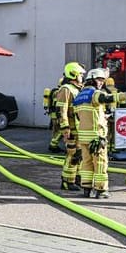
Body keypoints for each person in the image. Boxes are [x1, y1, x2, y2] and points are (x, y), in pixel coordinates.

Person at [74, 69, 126, 198]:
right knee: (100, 163)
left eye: (103, 80)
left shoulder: (79, 96)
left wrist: (102, 117)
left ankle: (86, 189)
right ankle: (101, 190)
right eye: (99, 80)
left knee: (86, 163)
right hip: (96, 137)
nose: (101, 83)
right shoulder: (94, 93)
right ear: (91, 79)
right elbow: (107, 98)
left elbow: (81, 116)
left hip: (83, 137)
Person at [56, 62, 86, 191]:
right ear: (73, 74)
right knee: (72, 154)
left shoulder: (79, 88)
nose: (81, 76)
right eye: (80, 74)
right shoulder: (66, 89)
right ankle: (67, 181)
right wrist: (65, 127)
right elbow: (61, 109)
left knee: (80, 155)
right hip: (71, 129)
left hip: (80, 128)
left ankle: (77, 179)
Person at [47, 77, 65, 153]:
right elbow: (58, 104)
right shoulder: (58, 92)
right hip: (57, 114)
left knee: (57, 130)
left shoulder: (55, 91)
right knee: (59, 130)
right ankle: (53, 145)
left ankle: (54, 144)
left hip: (54, 114)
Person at [104, 76, 120, 153]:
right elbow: (120, 102)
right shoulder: (117, 90)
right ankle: (113, 147)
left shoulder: (103, 90)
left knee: (106, 131)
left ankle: (106, 148)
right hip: (115, 113)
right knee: (114, 131)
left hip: (106, 113)